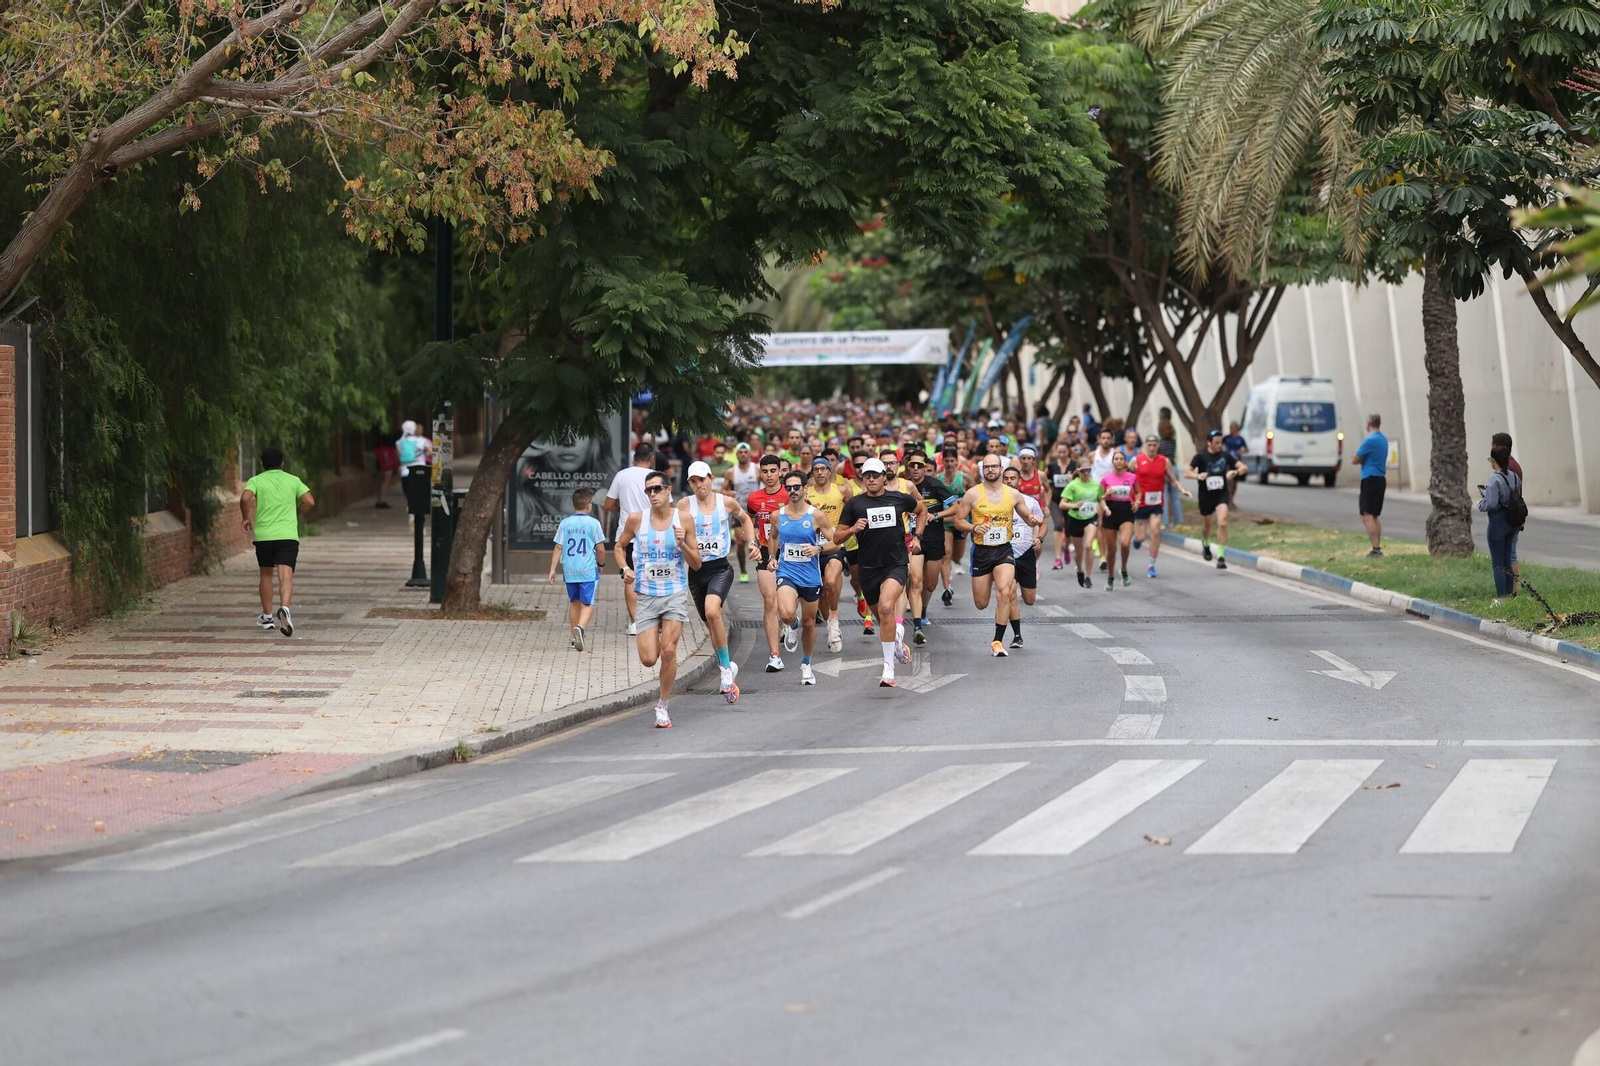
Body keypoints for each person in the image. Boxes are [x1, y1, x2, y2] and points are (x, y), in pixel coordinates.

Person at [615, 470, 703, 728]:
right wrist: (624, 569)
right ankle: (655, 632)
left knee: (669, 651)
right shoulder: (636, 520)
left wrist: (682, 544)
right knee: (648, 658)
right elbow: (619, 547)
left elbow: (696, 564)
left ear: (668, 490)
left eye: (656, 489)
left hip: (674, 593)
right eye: (648, 490)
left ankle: (663, 705)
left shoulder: (684, 520)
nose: (652, 494)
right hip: (646, 596)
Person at [832, 458, 927, 687]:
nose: (871, 479)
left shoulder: (898, 498)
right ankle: (895, 640)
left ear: (885, 476)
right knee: (880, 617)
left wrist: (918, 537)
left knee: (886, 607)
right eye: (867, 476)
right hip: (867, 568)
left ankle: (888, 669)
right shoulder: (854, 504)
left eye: (875, 475)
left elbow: (921, 510)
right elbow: (836, 537)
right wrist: (854, 528)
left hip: (895, 564)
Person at [680, 461, 759, 702]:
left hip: (720, 568)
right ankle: (728, 668)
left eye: (701, 479)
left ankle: (725, 672)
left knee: (713, 612)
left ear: (711, 479)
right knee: (711, 625)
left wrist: (752, 542)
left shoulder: (725, 502)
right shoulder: (684, 505)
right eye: (693, 481)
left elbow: (746, 519)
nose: (698, 485)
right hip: (696, 571)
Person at [953, 454, 1045, 657]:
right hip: (981, 551)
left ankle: (997, 641)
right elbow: (959, 520)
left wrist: (1034, 519)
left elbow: (1027, 518)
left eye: (995, 466)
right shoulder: (973, 494)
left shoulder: (1012, 494)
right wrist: (975, 527)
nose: (991, 470)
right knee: (981, 603)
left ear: (1001, 468)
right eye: (987, 467)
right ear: (982, 470)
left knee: (1005, 592)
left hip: (1004, 550)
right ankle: (998, 636)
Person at [241, 447, 315, 637]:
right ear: (282, 463)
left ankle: (267, 617)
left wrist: (245, 517)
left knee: (266, 575)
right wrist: (297, 512)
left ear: (262, 464)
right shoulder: (293, 480)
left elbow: (245, 497)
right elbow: (309, 501)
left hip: (264, 536)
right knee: (286, 576)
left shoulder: (256, 480)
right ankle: (285, 608)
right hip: (287, 535)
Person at [772, 470, 836, 686]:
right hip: (786, 572)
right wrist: (772, 557)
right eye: (788, 488)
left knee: (810, 623)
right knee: (786, 612)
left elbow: (835, 542)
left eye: (796, 487)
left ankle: (806, 664)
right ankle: (792, 623)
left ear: (804, 489)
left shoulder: (816, 515)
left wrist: (818, 548)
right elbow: (772, 537)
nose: (792, 491)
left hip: (810, 576)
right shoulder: (777, 515)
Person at [604, 440, 658, 633]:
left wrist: (623, 509)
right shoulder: (656, 478)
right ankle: (654, 620)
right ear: (652, 459)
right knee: (654, 577)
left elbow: (608, 505)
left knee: (630, 577)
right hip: (652, 534)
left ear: (634, 457)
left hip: (628, 535)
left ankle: (636, 622)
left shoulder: (622, 475)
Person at [903, 451, 955, 645]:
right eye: (912, 465)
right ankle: (917, 623)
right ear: (908, 467)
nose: (916, 469)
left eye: (920, 466)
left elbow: (955, 507)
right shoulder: (903, 486)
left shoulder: (934, 485)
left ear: (925, 468)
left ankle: (922, 608)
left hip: (933, 538)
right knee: (915, 580)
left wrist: (937, 515)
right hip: (912, 539)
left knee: (931, 584)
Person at [746, 454, 790, 672]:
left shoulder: (790, 493)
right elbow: (751, 521)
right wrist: (753, 542)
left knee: (787, 606)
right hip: (765, 551)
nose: (770, 475)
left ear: (780, 471)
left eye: (774, 471)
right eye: (765, 471)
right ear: (760, 473)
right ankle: (775, 655)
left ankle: (790, 621)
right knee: (770, 601)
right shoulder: (754, 498)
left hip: (791, 553)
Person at [548, 488, 605, 651]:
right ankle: (580, 627)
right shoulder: (594, 524)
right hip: (587, 569)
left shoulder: (565, 523)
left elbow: (558, 547)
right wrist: (601, 565)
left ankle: (573, 638)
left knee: (573, 602)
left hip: (569, 569)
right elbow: (600, 549)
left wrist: (553, 569)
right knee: (588, 603)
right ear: (589, 506)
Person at [805, 456, 852, 652]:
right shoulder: (806, 493)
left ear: (830, 471)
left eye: (824, 469)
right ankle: (830, 623)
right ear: (813, 472)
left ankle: (834, 619)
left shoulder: (842, 490)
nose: (820, 473)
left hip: (835, 545)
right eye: (817, 469)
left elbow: (852, 512)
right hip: (811, 547)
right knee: (821, 591)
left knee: (831, 582)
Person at [1188, 430, 1249, 570]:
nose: (1219, 445)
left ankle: (1221, 557)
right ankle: (1206, 543)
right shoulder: (1201, 456)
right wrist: (1197, 476)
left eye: (1221, 443)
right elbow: (1188, 472)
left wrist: (1236, 472)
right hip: (1206, 496)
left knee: (1223, 523)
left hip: (1221, 494)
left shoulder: (1225, 456)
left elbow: (1243, 467)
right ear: (1209, 442)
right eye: (1216, 443)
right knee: (1207, 526)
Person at [1131, 435, 1190, 578]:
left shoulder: (1165, 461)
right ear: (1145, 445)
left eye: (1154, 445)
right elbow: (1126, 477)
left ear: (1158, 446)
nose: (1152, 448)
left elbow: (1173, 480)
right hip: (1141, 503)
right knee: (1141, 537)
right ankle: (1137, 540)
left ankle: (1151, 565)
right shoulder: (1136, 461)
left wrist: (1182, 490)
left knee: (1156, 532)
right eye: (1149, 445)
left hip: (1157, 502)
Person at [1001, 466, 1043, 647]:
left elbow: (1043, 523)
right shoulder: (996, 502)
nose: (1009, 481)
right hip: (1005, 553)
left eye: (1013, 478)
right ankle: (1017, 635)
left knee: (1029, 599)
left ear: (1019, 481)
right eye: (1006, 478)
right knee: (1009, 593)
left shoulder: (1030, 502)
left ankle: (1034, 573)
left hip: (1026, 552)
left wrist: (1039, 538)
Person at [1478, 445, 1524, 605]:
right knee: (1507, 560)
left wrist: (1480, 503)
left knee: (1497, 562)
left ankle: (1501, 597)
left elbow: (1491, 504)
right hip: (1512, 522)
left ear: (1494, 461)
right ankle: (1510, 596)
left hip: (1497, 523)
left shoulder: (1494, 479)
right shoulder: (1514, 477)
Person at [1098, 450, 1139, 589]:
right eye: (1116, 459)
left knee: (1125, 543)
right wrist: (1105, 495)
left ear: (1125, 462)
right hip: (1111, 512)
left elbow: (1138, 492)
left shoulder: (1132, 477)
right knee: (1112, 550)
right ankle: (1110, 577)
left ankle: (1123, 568)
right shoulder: (1106, 478)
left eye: (1121, 459)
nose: (1119, 461)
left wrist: (1137, 502)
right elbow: (1099, 498)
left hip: (1126, 511)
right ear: (1113, 462)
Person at [1059, 463, 1101, 589]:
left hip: (1091, 518)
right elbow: (1062, 504)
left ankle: (1088, 577)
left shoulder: (1096, 484)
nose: (1086, 473)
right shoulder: (1072, 485)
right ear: (1078, 471)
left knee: (1088, 545)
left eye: (1088, 470)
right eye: (1083, 471)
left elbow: (1100, 498)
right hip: (1075, 518)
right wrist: (1074, 505)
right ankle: (1079, 570)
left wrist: (1105, 505)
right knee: (1079, 552)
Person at [1491, 432, 1522, 592]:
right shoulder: (1515, 465)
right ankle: (1512, 591)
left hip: (1507, 517)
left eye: (1492, 444)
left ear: (1496, 447)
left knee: (1508, 556)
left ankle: (1511, 591)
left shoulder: (1506, 468)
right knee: (1509, 555)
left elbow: (1497, 499)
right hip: (1515, 516)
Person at [1354, 414, 1388, 558]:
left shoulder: (1369, 441)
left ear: (1368, 424)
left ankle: (1375, 548)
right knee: (1374, 515)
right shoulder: (1383, 440)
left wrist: (1360, 459)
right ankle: (1377, 546)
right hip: (1380, 478)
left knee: (1367, 515)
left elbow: (1355, 459)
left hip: (1369, 478)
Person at [728, 441, 761, 583]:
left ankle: (763, 567)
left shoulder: (756, 469)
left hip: (756, 510)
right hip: (739, 511)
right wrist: (729, 493)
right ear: (736, 454)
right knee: (741, 542)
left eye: (745, 452)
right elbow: (724, 489)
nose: (743, 454)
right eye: (740, 452)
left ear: (749, 454)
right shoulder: (731, 472)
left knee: (758, 540)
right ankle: (743, 571)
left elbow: (767, 483)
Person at [1045, 440, 1075, 570]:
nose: (1062, 454)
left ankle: (1067, 548)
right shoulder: (1052, 466)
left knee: (1069, 530)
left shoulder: (1074, 465)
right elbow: (1043, 479)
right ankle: (1058, 558)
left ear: (1069, 452)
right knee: (1058, 525)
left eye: (1064, 452)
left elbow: (1083, 481)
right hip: (1056, 500)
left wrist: (1073, 479)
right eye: (1059, 452)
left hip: (1070, 501)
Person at [397, 419, 434, 520]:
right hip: (421, 471)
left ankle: (412, 513)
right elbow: (432, 453)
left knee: (409, 493)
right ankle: (420, 513)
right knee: (420, 493)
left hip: (405, 471)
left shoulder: (399, 442)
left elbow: (399, 456)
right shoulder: (423, 442)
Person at [1157, 417, 1183, 527]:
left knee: (1164, 496)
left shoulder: (1159, 443)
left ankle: (1165, 521)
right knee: (1175, 496)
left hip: (1163, 469)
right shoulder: (1173, 442)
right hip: (1174, 468)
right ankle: (1179, 521)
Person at [1222, 421, 1248, 506]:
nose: (1231, 429)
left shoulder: (1240, 439)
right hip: (1228, 461)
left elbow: (1246, 449)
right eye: (1230, 428)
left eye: (1233, 428)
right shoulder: (1226, 438)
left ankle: (1231, 497)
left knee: (1235, 481)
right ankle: (1227, 496)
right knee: (1230, 479)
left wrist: (1241, 451)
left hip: (1237, 461)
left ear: (1237, 428)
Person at [373, 430, 399, 509]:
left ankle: (379, 500)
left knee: (381, 481)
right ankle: (381, 500)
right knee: (385, 481)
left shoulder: (380, 440)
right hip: (387, 463)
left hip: (380, 462)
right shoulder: (391, 442)